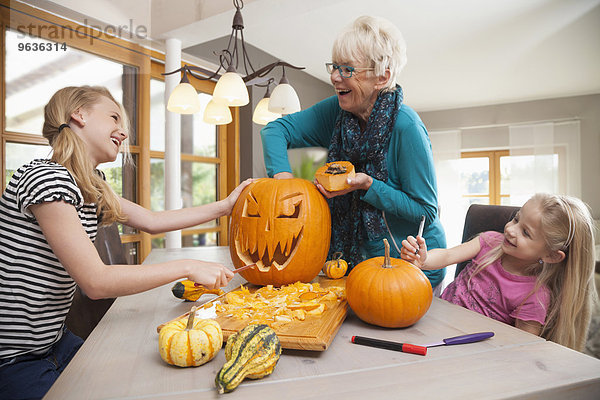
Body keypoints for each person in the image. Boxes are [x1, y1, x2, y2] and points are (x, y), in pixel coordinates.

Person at [0, 85, 252, 399]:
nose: (122, 132)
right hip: (14, 361)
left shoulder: (89, 183)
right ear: (79, 115)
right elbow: (96, 281)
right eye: (114, 117)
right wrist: (188, 266)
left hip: (54, 343)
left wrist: (225, 206)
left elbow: (151, 221)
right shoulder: (47, 176)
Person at [261, 16, 446, 288]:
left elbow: (425, 212)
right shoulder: (336, 113)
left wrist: (369, 185)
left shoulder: (407, 127)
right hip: (356, 266)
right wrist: (282, 179)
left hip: (412, 267)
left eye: (347, 69)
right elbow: (274, 131)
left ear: (382, 77)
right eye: (334, 66)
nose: (335, 77)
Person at [400, 193, 597, 352]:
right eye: (516, 219)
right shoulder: (490, 241)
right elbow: (448, 255)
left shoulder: (535, 296)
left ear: (551, 256)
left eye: (526, 232)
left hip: (465, 352)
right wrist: (423, 260)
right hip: (433, 324)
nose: (511, 230)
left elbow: (522, 347)